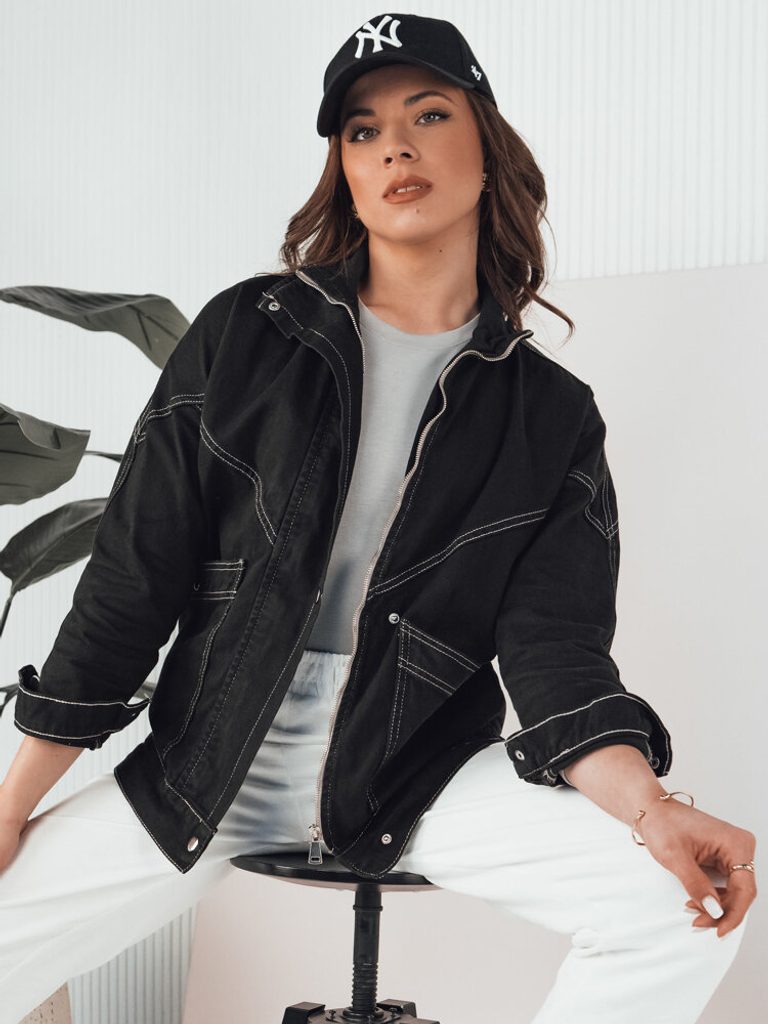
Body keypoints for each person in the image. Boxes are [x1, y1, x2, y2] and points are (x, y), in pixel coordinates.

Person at [0, 12, 757, 1024]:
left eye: (429, 114)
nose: (395, 146)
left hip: (415, 774)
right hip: (209, 764)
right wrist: (11, 805)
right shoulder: (247, 336)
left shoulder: (549, 415)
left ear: (487, 150)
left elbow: (559, 657)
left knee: (677, 903)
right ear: (347, 176)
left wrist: (653, 811)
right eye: (363, 131)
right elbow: (132, 585)